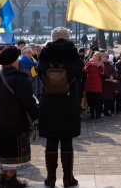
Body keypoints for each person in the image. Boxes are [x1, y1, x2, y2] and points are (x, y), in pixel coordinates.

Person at [0, 46, 38, 187]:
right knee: (13, 152)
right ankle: (11, 181)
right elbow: (28, 101)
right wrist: (36, 115)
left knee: (2, 150)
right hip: (15, 121)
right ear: (15, 61)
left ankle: (3, 178)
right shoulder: (19, 78)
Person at [38, 27, 83, 187]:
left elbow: (40, 74)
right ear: (67, 37)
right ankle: (67, 177)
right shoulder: (73, 53)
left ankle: (50, 178)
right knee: (66, 139)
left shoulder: (44, 53)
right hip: (68, 102)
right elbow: (79, 73)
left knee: (51, 140)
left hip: (48, 102)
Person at [84, 52, 104, 119]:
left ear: (99, 57)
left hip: (97, 84)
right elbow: (84, 70)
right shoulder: (89, 63)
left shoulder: (100, 64)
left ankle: (98, 114)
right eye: (95, 55)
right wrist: (89, 64)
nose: (96, 57)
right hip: (89, 83)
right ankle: (92, 114)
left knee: (97, 100)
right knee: (91, 100)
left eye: (97, 56)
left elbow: (102, 73)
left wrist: (101, 66)